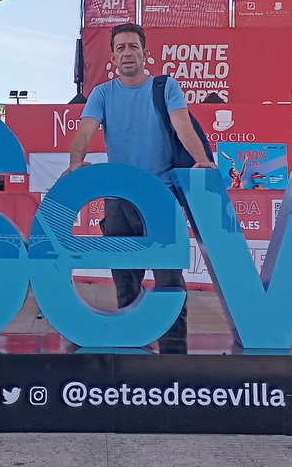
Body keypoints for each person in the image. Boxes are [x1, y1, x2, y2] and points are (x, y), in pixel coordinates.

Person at [66, 22, 216, 352]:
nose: (127, 53)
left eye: (133, 46)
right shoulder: (102, 93)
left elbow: (181, 123)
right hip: (119, 200)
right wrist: (76, 161)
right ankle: (133, 348)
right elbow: (85, 130)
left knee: (169, 281)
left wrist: (201, 159)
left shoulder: (165, 88)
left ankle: (174, 355)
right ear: (113, 58)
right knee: (125, 279)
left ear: (145, 53)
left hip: (161, 197)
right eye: (121, 48)